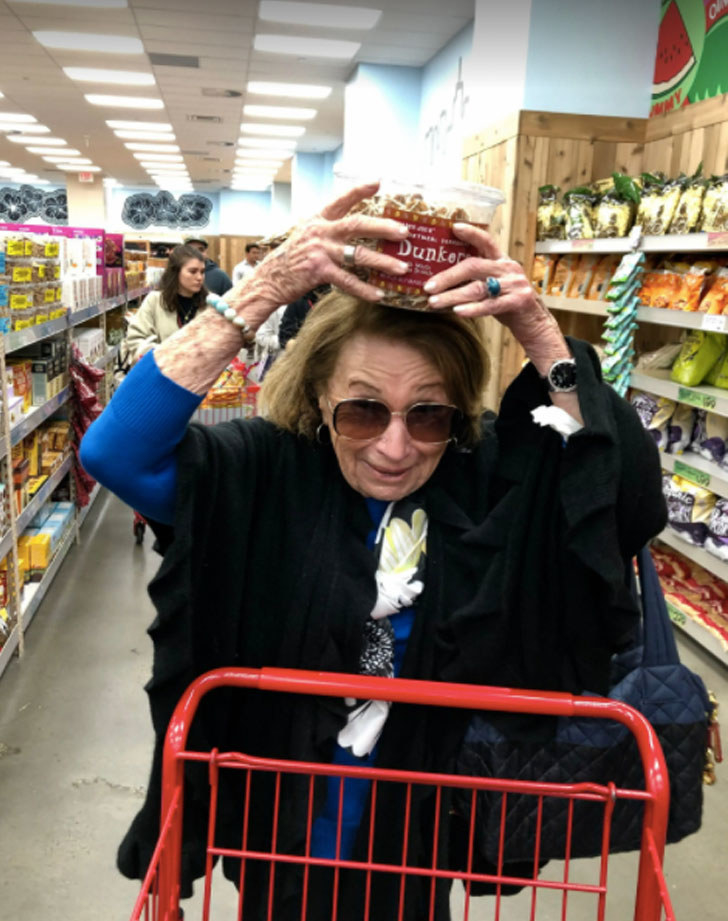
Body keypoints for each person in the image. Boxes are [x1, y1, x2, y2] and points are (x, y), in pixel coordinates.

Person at [80, 181, 665, 920]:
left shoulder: (476, 479)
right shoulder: (270, 468)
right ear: (319, 394)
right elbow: (117, 452)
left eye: (427, 415)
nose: (394, 446)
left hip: (419, 841)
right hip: (278, 833)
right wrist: (266, 286)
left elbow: (621, 494)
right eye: (362, 410)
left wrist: (539, 330)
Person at [124, 243, 207, 363]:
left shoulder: (209, 305)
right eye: (193, 271)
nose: (199, 277)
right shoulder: (155, 301)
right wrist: (163, 356)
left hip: (199, 377)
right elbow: (136, 339)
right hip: (160, 376)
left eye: (202, 272)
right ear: (176, 272)